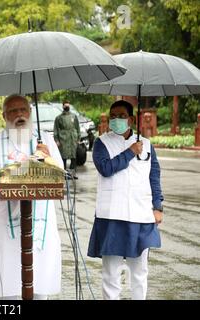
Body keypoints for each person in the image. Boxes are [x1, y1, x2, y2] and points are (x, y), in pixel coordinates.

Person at [0, 94, 64, 299]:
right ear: (4, 115)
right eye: (13, 111)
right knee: (9, 288)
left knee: (40, 286)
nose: (19, 115)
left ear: (30, 113)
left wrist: (48, 158)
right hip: (7, 230)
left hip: (40, 225)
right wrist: (6, 177)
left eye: (23, 109)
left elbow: (61, 177)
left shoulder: (45, 139)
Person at [87, 100, 164, 300]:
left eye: (121, 116)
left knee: (139, 272)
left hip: (141, 215)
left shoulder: (146, 144)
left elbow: (154, 177)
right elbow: (105, 168)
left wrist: (158, 206)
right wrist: (130, 152)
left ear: (131, 119)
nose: (116, 120)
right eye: (112, 116)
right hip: (112, 215)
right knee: (111, 273)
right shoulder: (101, 143)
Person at [53, 100, 81, 177]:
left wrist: (79, 138)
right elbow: (56, 129)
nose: (67, 107)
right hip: (63, 139)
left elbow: (77, 127)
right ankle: (64, 173)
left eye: (68, 106)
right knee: (63, 157)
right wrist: (57, 140)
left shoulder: (74, 116)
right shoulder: (59, 118)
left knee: (73, 157)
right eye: (65, 106)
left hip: (72, 139)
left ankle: (73, 174)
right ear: (63, 107)